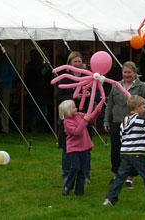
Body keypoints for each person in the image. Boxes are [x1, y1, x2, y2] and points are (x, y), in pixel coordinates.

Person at [104, 61, 145, 188]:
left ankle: (130, 176)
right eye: (125, 72)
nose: (127, 75)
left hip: (134, 124)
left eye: (129, 72)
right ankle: (117, 174)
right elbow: (110, 105)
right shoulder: (116, 86)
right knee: (116, 150)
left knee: (131, 150)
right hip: (117, 122)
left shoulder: (142, 87)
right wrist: (106, 121)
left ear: (135, 73)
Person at [56, 51, 93, 183]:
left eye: (79, 61)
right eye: (74, 62)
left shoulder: (88, 77)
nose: (77, 64)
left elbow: (97, 93)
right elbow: (58, 97)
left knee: (86, 146)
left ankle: (85, 174)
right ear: (69, 64)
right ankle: (66, 173)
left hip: (83, 115)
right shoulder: (64, 78)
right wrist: (73, 96)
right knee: (67, 146)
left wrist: (88, 95)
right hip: (68, 116)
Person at [59, 100, 99, 196]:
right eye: (73, 107)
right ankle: (68, 186)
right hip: (74, 149)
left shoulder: (79, 115)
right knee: (75, 167)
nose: (76, 108)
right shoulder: (67, 122)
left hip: (84, 147)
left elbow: (90, 119)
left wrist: (97, 112)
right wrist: (85, 121)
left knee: (82, 170)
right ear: (67, 111)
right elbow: (77, 132)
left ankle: (79, 191)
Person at [24, 49, 50, 132]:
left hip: (38, 90)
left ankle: (36, 127)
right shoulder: (36, 66)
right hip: (35, 90)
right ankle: (35, 127)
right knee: (35, 110)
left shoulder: (40, 66)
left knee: (37, 110)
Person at [0, 47, 16, 133]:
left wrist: (3, 79)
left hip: (6, 87)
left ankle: (5, 128)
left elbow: (13, 75)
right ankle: (0, 126)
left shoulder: (9, 63)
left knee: (4, 108)